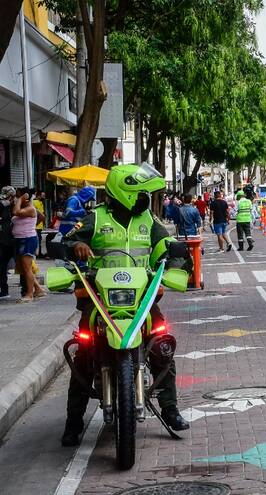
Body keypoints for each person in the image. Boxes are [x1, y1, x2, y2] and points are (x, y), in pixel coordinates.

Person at [62, 163, 190, 446]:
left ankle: (170, 410)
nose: (144, 196)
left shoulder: (149, 220)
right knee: (84, 353)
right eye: (140, 192)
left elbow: (166, 246)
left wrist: (178, 259)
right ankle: (73, 421)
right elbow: (67, 241)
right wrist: (76, 248)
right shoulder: (95, 218)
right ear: (124, 192)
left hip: (142, 300)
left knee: (162, 348)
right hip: (99, 300)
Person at [12, 191, 46, 302]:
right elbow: (41, 216)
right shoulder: (27, 209)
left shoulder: (30, 209)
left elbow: (16, 211)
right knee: (25, 268)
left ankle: (29, 294)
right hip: (20, 239)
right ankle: (38, 289)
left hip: (27, 240)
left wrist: (20, 199)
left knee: (27, 269)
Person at [0, 186, 17, 299]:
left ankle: (27, 290)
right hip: (5, 240)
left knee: (23, 266)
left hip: (14, 239)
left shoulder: (16, 205)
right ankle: (4, 290)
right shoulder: (3, 205)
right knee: (2, 266)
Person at [33, 190, 45, 258]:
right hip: (36, 225)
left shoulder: (40, 202)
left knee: (39, 240)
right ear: (38, 195)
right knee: (37, 240)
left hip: (39, 225)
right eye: (42, 195)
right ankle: (37, 253)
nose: (43, 197)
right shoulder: (35, 202)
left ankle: (39, 253)